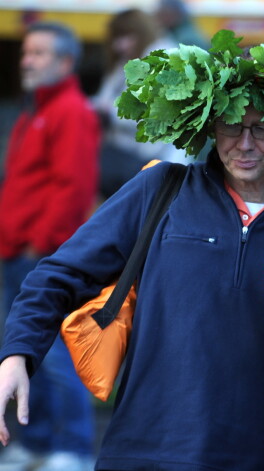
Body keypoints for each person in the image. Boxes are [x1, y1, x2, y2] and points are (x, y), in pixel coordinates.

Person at [0, 30, 264, 470]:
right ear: (209, 123)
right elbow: (57, 276)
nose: (244, 144)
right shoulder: (161, 190)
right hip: (146, 451)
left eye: (262, 126)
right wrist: (17, 353)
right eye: (230, 125)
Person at [0, 22, 98, 471]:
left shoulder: (69, 111)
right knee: (25, 352)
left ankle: (71, 450)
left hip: (41, 256)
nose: (26, 60)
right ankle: (37, 445)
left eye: (37, 53)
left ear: (65, 62)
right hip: (18, 253)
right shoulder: (37, 109)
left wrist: (41, 246)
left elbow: (73, 188)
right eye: (26, 52)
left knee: (57, 357)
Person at [93, 8, 188, 199]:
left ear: (141, 33)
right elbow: (104, 98)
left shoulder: (165, 61)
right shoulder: (127, 60)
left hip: (151, 161)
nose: (119, 45)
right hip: (126, 156)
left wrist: (109, 113)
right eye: (116, 39)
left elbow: (156, 118)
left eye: (125, 37)